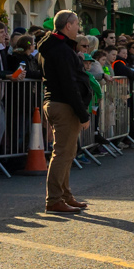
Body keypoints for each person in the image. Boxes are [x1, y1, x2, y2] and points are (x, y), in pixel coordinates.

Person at [38, 11, 91, 212]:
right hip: (63, 104)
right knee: (62, 153)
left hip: (56, 102)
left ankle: (65, 195)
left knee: (67, 152)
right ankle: (54, 199)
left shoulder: (55, 46)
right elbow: (69, 84)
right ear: (68, 25)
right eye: (76, 24)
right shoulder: (60, 49)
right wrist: (83, 114)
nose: (78, 28)